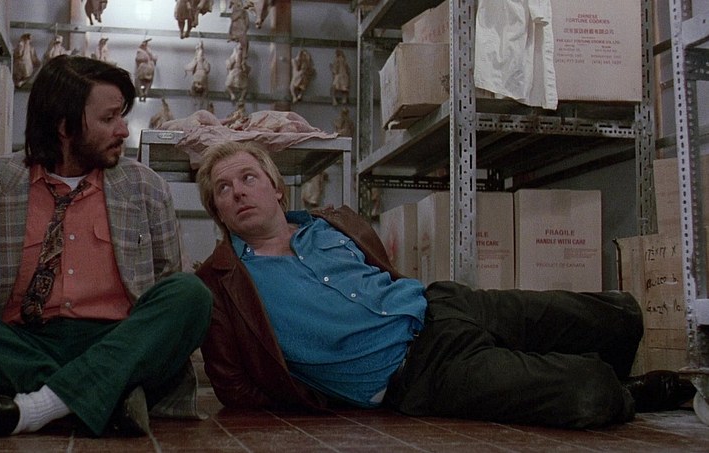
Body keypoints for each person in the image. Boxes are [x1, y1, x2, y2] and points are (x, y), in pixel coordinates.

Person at [193, 140, 696, 429]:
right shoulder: (223, 283)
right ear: (218, 212)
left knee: (609, 314)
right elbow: (234, 386)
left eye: (248, 178)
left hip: (441, 305)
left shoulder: (331, 224)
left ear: (276, 187)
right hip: (416, 374)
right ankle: (627, 391)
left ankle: (632, 364)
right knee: (588, 394)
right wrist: (331, 391)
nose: (238, 192)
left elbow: (381, 274)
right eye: (223, 189)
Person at [0, 55, 212, 441]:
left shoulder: (146, 188)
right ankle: (104, 400)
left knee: (190, 294)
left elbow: (166, 282)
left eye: (121, 116)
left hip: (117, 343)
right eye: (109, 118)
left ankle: (32, 409)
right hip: (22, 346)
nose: (123, 130)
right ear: (64, 127)